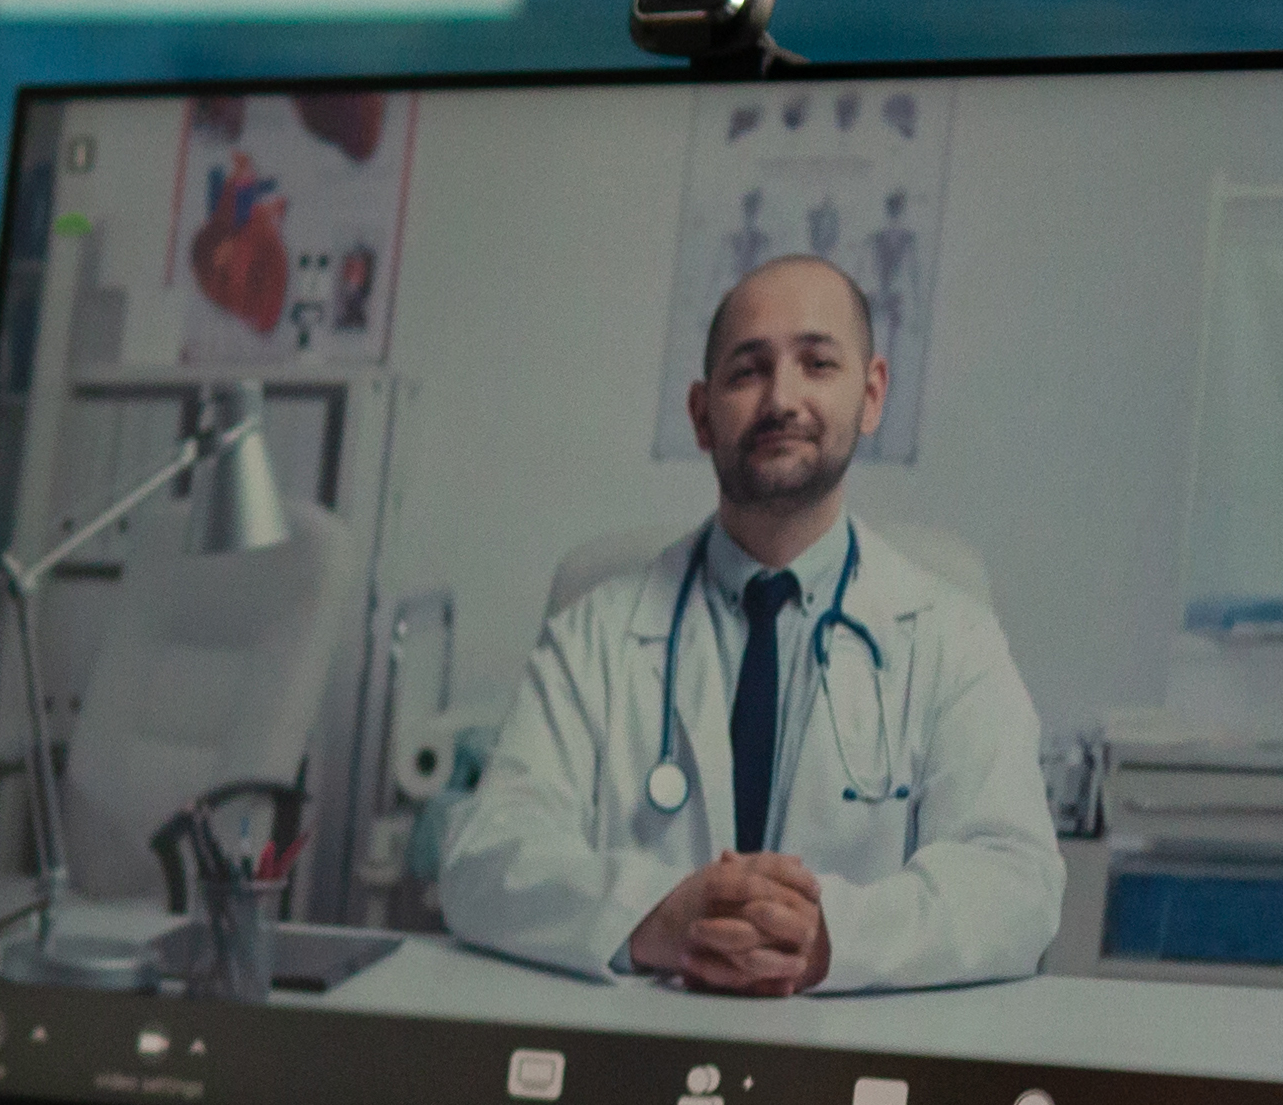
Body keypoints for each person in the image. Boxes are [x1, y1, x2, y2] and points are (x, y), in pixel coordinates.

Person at [434, 253, 1062, 996]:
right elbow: (484, 856)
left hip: (858, 1074)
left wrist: (830, 938)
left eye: (818, 364)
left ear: (871, 395)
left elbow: (1015, 882)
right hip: (637, 1065)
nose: (781, 399)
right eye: (747, 371)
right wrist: (659, 917)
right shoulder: (594, 634)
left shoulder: (955, 638)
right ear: (702, 416)